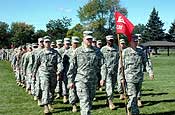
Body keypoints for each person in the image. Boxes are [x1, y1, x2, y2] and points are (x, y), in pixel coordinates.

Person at [118, 35, 154, 115]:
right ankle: (135, 112)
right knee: (133, 96)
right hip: (129, 78)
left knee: (136, 96)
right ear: (130, 42)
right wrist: (121, 78)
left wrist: (150, 72)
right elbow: (121, 66)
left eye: (136, 41)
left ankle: (129, 107)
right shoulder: (125, 52)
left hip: (139, 77)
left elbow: (146, 62)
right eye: (134, 41)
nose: (136, 42)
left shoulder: (141, 51)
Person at [67, 35, 102, 115]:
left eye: (90, 39)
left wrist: (102, 77)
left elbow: (102, 64)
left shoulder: (97, 51)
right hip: (81, 80)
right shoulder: (77, 51)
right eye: (87, 39)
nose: (89, 41)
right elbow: (72, 67)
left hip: (93, 80)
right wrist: (70, 81)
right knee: (84, 101)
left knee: (90, 101)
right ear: (83, 39)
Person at [32, 37, 63, 114]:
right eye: (45, 42)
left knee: (52, 89)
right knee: (45, 88)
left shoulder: (55, 52)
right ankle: (45, 106)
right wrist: (33, 74)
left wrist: (59, 70)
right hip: (43, 73)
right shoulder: (40, 53)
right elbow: (36, 64)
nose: (47, 43)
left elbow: (59, 62)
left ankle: (50, 103)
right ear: (44, 43)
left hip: (53, 73)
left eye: (48, 42)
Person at [100, 35, 119, 110]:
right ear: (106, 40)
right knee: (109, 87)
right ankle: (111, 103)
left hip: (115, 71)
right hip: (106, 71)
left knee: (113, 87)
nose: (111, 41)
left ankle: (108, 100)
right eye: (109, 40)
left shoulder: (117, 48)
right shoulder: (103, 49)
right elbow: (101, 62)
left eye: (112, 40)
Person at [67, 36, 80, 112]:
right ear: (71, 43)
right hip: (70, 74)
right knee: (72, 89)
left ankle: (79, 102)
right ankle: (73, 104)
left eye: (77, 43)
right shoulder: (67, 52)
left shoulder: (80, 51)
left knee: (79, 89)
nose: (75, 44)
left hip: (79, 73)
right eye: (74, 43)